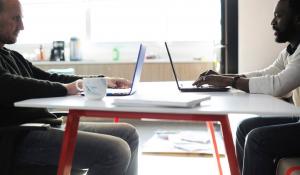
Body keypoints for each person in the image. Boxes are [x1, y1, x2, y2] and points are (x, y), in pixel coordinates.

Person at [0, 0, 139, 174]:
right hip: (18, 138)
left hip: (44, 127)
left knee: (128, 134)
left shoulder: (12, 55)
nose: (22, 26)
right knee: (115, 151)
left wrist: (101, 80)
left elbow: (49, 78)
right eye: (16, 18)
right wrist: (68, 88)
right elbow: (9, 84)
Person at [193, 0, 300, 174]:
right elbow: (267, 73)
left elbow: (278, 85)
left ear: (297, 19)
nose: (272, 22)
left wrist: (228, 81)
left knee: (257, 140)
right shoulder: (291, 50)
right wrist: (223, 78)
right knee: (244, 128)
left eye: (279, 16)